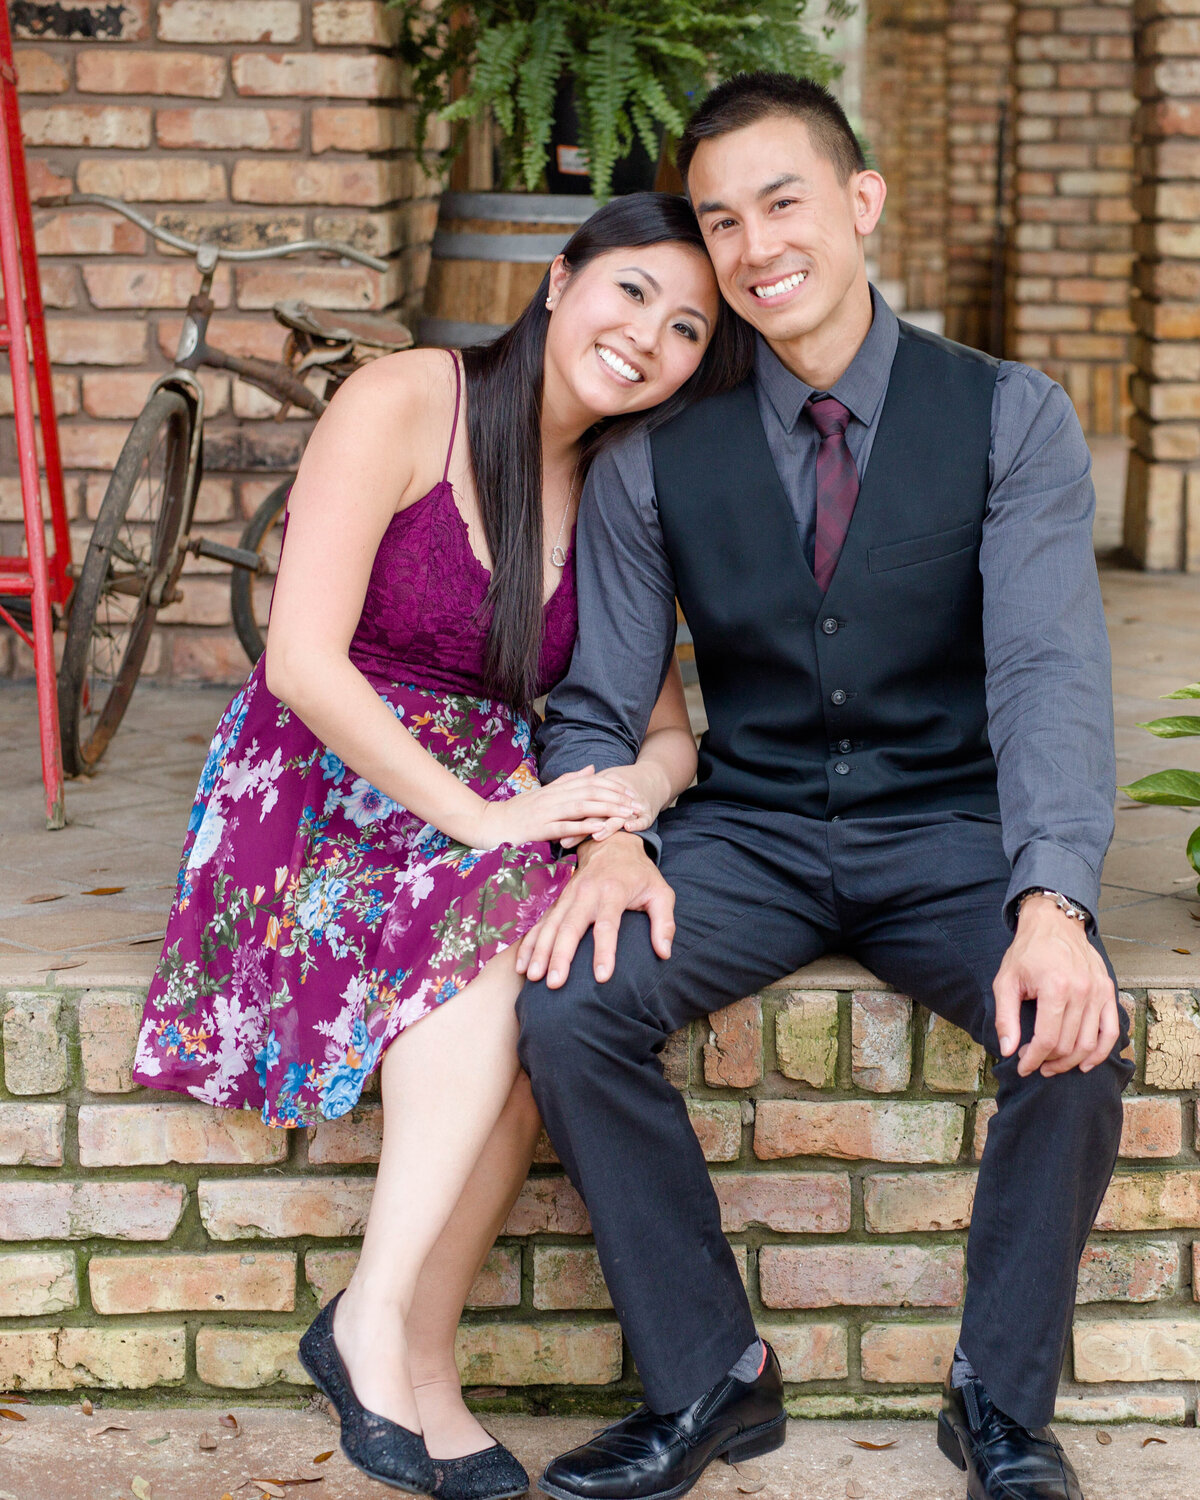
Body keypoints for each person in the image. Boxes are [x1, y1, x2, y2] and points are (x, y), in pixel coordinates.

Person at [515, 74, 1130, 1500]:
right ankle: (710, 1380)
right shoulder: (653, 455)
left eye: (781, 201)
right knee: (567, 1009)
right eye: (721, 219)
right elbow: (605, 698)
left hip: (950, 828)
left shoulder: (1010, 416)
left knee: (1081, 1032)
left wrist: (1052, 897)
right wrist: (606, 843)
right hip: (752, 826)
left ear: (859, 204)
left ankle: (999, 1407)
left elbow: (1047, 671)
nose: (751, 246)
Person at [131, 192, 751, 1499]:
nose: (650, 336)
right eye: (633, 290)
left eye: (689, 327)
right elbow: (301, 660)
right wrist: (484, 817)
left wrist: (619, 798)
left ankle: (404, 1347)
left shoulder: (623, 490)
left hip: (495, 783)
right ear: (563, 273)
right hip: (319, 771)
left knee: (549, 990)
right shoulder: (413, 397)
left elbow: (668, 732)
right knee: (494, 945)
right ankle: (376, 1330)